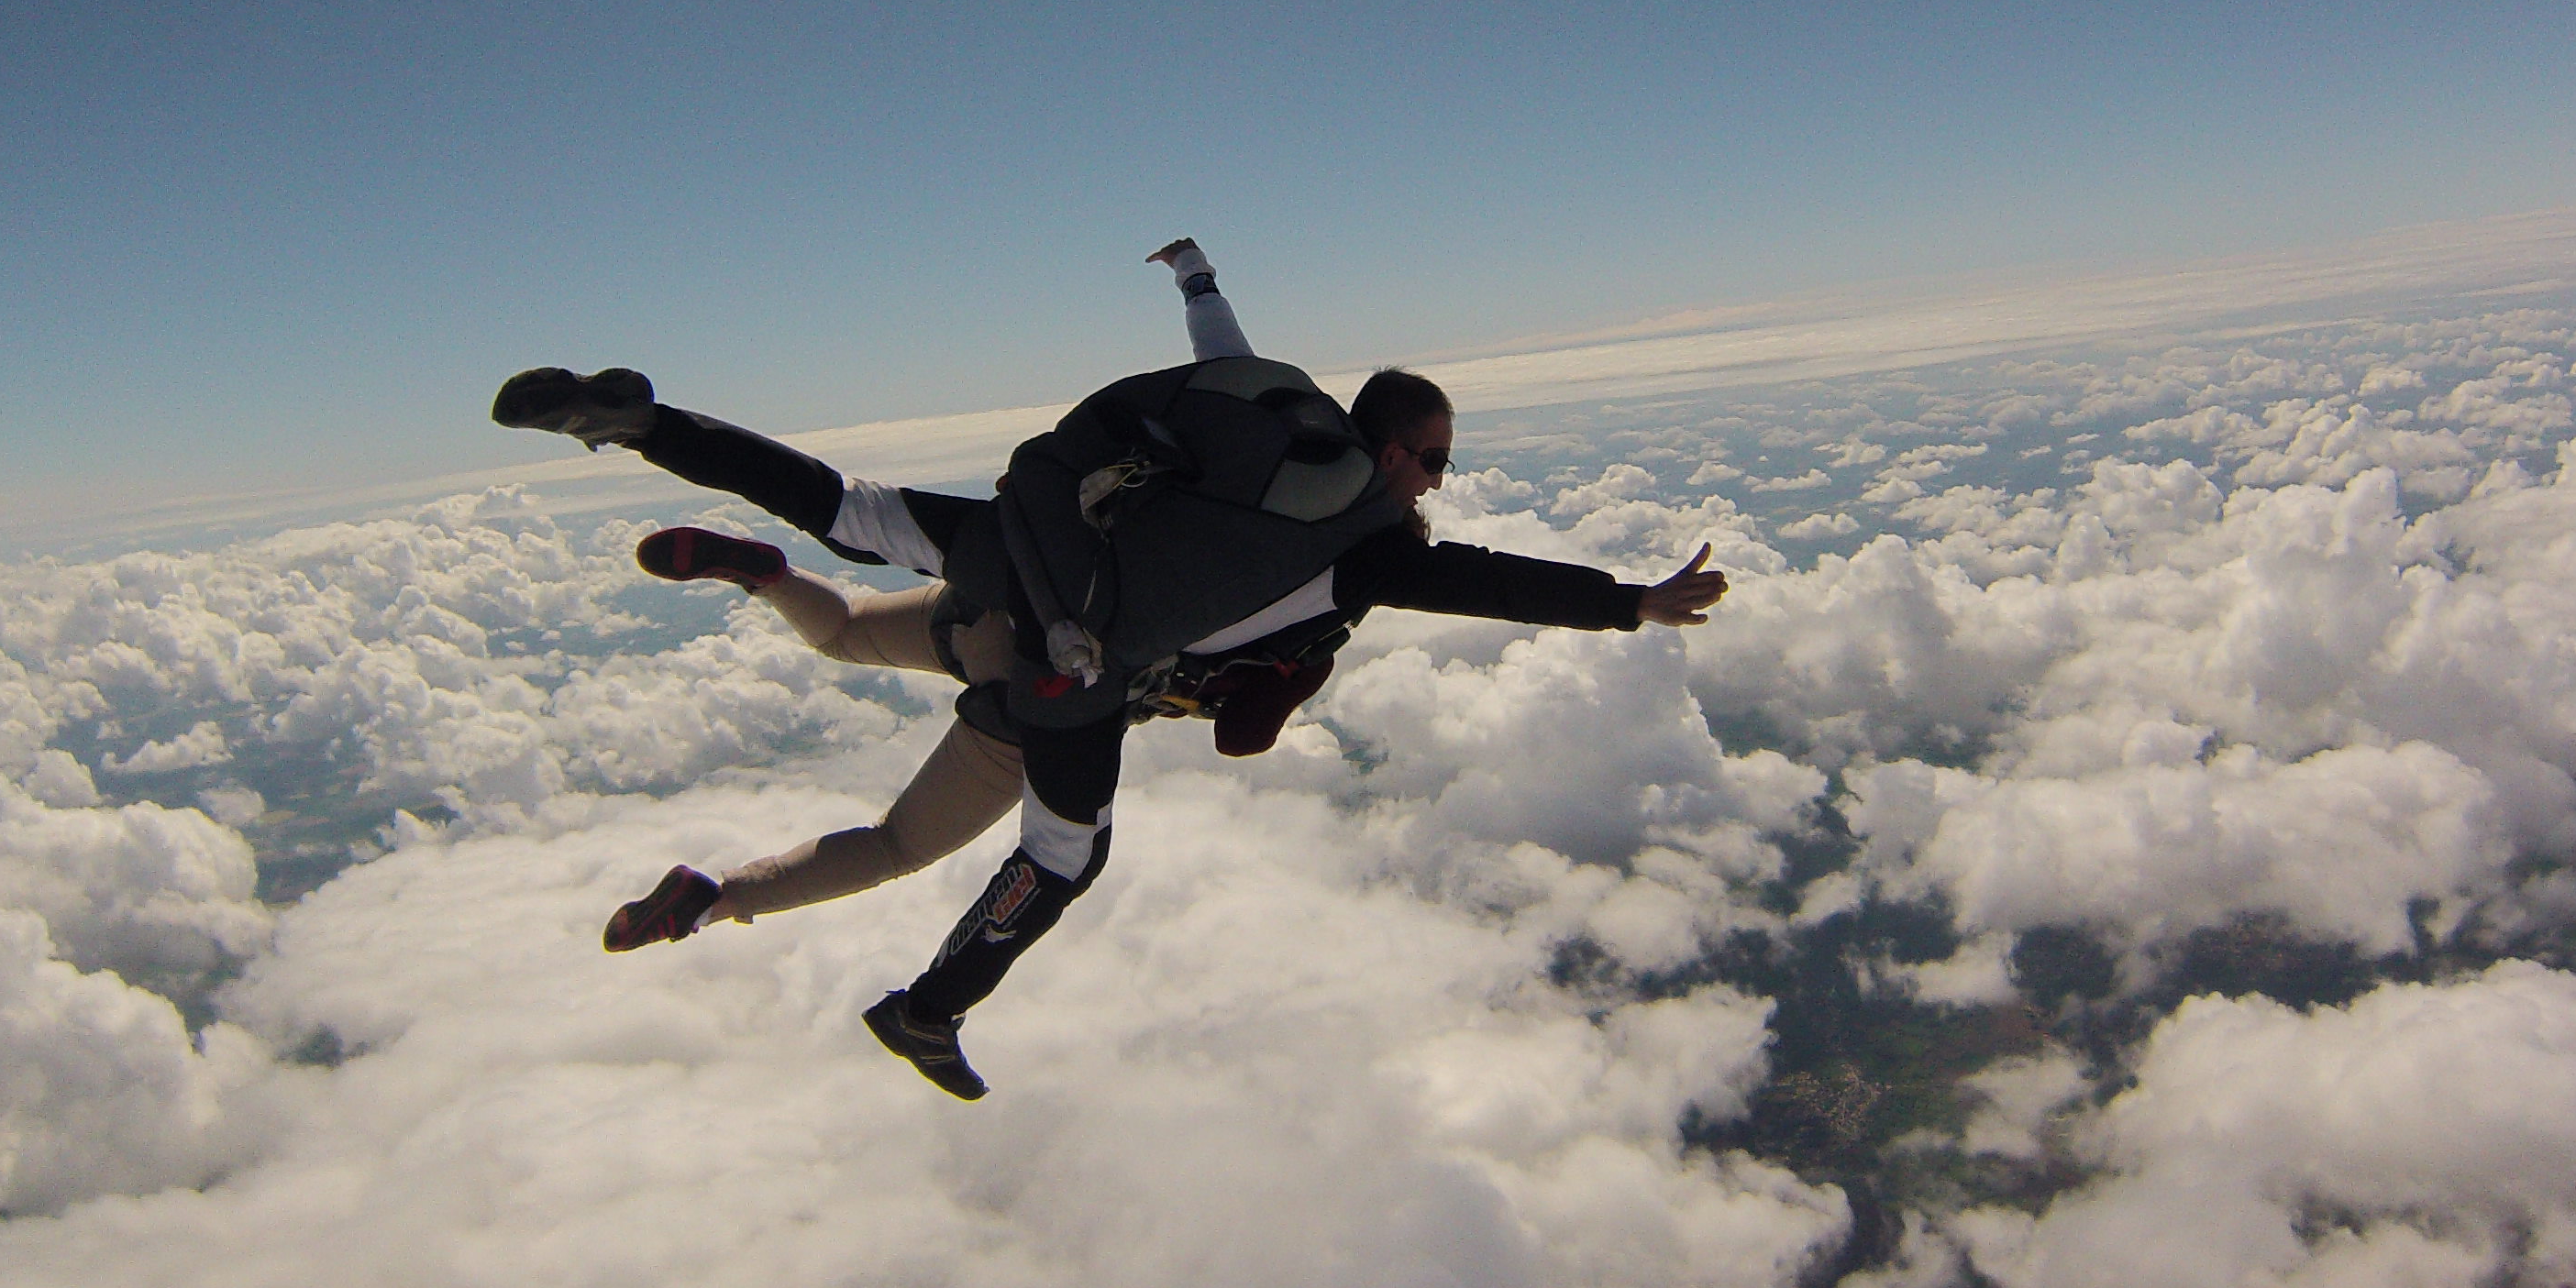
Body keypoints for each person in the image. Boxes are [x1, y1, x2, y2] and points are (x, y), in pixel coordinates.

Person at [492, 242, 1726, 1099]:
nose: (1437, 482)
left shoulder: (1272, 445)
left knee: (847, 524)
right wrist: (1631, 601)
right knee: (984, 850)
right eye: (1438, 460)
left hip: (1010, 571)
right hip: (1052, 688)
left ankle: (648, 429)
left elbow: (1226, 359)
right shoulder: (1366, 546)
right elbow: (1489, 582)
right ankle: (850, 970)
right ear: (1397, 454)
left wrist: (1198, 280)